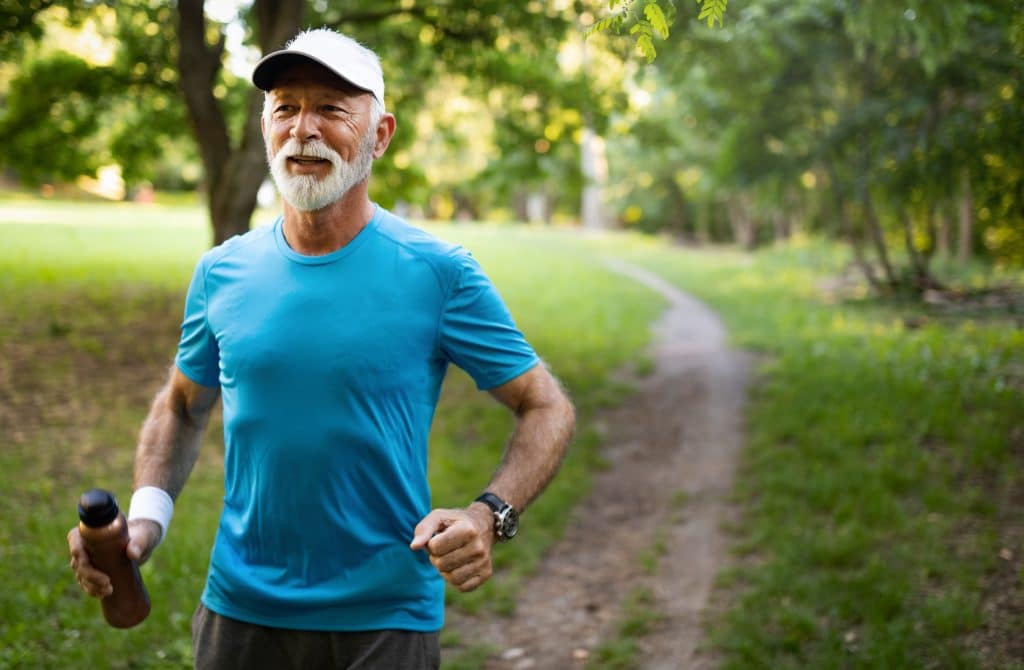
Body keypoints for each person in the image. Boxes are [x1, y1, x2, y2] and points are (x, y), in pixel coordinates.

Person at [67, 28, 575, 670]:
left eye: (331, 108)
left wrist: (489, 514)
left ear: (380, 135)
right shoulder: (222, 271)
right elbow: (181, 406)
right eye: (286, 107)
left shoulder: (438, 273)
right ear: (266, 128)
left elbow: (545, 405)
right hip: (239, 614)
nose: (303, 128)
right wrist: (144, 522)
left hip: (384, 620)